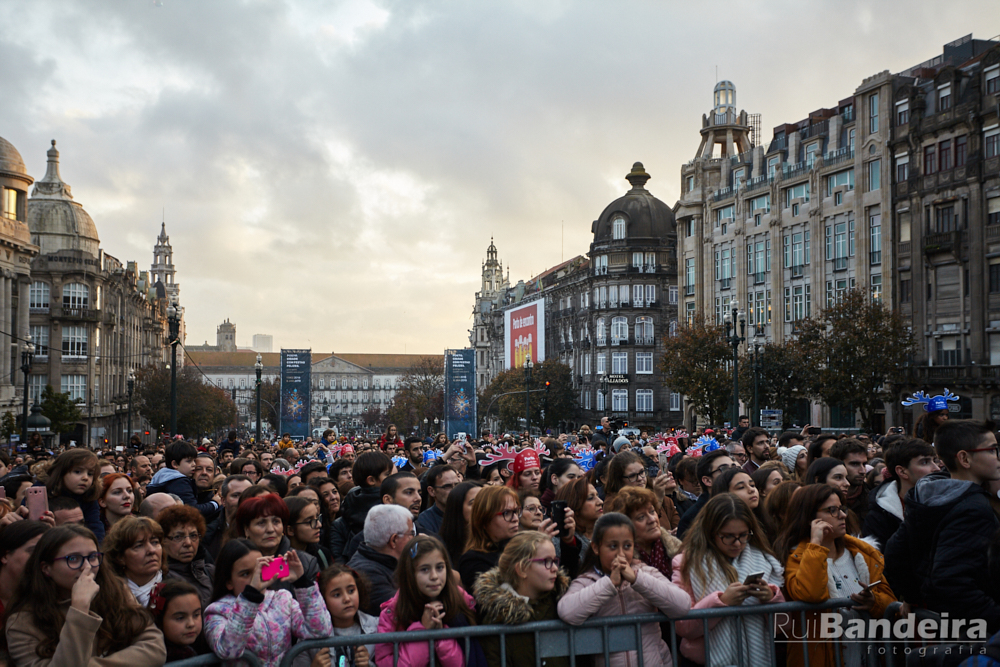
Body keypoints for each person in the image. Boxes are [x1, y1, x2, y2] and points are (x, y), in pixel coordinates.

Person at [886, 420, 1000, 634]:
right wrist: (994, 619)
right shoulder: (973, 508)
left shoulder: (928, 494)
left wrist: (914, 598)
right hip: (972, 633)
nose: (998, 457)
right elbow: (952, 580)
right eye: (992, 450)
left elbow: (895, 553)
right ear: (965, 458)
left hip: (942, 624)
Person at [5, 524, 166, 666]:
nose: (87, 567)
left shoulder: (116, 591)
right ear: (46, 568)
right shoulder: (22, 622)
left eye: (93, 557)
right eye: (73, 559)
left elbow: (154, 648)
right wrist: (79, 610)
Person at [776, 485, 896, 667]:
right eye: (832, 510)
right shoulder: (795, 558)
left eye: (841, 509)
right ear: (809, 517)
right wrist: (815, 544)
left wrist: (875, 602)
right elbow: (811, 594)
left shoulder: (862, 554)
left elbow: (891, 604)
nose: (843, 516)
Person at [557, 513, 690, 667]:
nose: (620, 553)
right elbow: (567, 612)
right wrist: (609, 584)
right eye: (612, 546)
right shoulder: (588, 580)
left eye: (627, 546)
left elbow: (682, 605)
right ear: (596, 547)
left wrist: (636, 579)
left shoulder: (646, 573)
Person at [672, 495, 785, 666]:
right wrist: (721, 602)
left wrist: (771, 598)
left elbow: (784, 626)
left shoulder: (764, 561)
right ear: (710, 532)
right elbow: (683, 627)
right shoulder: (685, 564)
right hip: (704, 661)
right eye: (728, 536)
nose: (738, 543)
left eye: (743, 535)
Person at [204, 538, 333, 667]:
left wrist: (302, 583)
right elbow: (228, 651)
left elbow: (320, 630)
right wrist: (251, 596)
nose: (255, 578)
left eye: (259, 570)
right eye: (245, 574)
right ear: (229, 582)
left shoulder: (282, 599)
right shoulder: (216, 611)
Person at [374, 534, 482, 667]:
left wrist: (442, 636)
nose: (434, 576)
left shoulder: (461, 601)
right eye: (424, 569)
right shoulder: (392, 614)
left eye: (440, 567)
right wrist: (422, 631)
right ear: (409, 574)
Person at [475, 531, 570, 667]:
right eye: (546, 562)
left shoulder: (562, 604)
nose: (555, 568)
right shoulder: (497, 619)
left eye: (555, 561)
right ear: (522, 569)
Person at [862, 439, 937, 550]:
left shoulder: (947, 501)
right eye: (925, 462)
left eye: (935, 461)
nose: (936, 468)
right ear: (902, 471)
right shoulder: (879, 516)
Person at [236, 492, 321, 590]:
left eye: (276, 521)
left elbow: (314, 604)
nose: (270, 529)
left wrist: (301, 582)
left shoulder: (305, 563)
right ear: (246, 530)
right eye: (261, 523)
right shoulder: (236, 563)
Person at [307, 563, 379, 667]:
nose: (347, 599)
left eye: (351, 591)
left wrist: (368, 665)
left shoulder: (377, 627)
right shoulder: (310, 634)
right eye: (337, 595)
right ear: (322, 600)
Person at [347, 504, 413, 616]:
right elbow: (407, 610)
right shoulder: (368, 574)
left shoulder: (387, 562)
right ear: (394, 540)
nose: (415, 539)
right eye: (411, 534)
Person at [605, 487, 680, 581]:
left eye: (652, 511)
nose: (652, 520)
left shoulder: (678, 549)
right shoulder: (621, 563)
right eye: (641, 517)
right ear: (626, 526)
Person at [331, 451, 395, 562]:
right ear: (371, 480)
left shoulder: (347, 511)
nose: (393, 480)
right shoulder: (341, 523)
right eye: (387, 475)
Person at [458, 485, 521, 593]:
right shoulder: (472, 562)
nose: (515, 519)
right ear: (484, 520)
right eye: (507, 513)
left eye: (515, 511)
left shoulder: (521, 549)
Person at [158, 504, 215, 608]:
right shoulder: (159, 579)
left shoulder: (211, 572)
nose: (188, 543)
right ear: (163, 540)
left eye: (193, 535)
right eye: (178, 537)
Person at [146, 441, 221, 519]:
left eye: (209, 469)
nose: (194, 465)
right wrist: (214, 503)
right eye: (189, 461)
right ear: (174, 464)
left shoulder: (162, 476)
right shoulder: (180, 482)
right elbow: (192, 510)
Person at [42, 449, 105, 542]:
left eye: (90, 474)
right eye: (77, 472)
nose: (85, 478)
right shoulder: (42, 492)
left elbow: (95, 527)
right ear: (61, 472)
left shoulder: (89, 497)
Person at [103, 516, 165, 606]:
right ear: (120, 557)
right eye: (139, 546)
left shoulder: (177, 589)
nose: (151, 550)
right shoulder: (108, 595)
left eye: (155, 542)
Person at [676, 450, 737, 540]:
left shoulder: (744, 502)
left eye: (734, 468)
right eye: (724, 469)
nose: (733, 473)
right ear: (707, 480)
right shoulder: (694, 517)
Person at [0, 521, 50, 626]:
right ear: (5, 556)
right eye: (33, 551)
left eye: (46, 553)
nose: (41, 559)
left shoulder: (49, 599)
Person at [147, 579, 210, 662]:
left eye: (196, 615)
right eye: (180, 618)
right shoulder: (156, 657)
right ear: (159, 620)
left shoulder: (207, 643)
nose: (191, 624)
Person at [205, 474, 252, 560]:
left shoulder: (264, 531)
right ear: (223, 501)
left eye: (247, 496)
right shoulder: (208, 534)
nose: (242, 500)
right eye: (236, 496)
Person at [438, 482, 483, 567]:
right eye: (473, 503)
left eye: (484, 502)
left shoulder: (497, 542)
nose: (481, 507)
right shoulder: (441, 548)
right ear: (457, 509)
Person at [555, 476, 603, 553]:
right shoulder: (561, 542)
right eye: (591, 498)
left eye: (597, 496)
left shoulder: (608, 533)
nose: (600, 502)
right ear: (575, 505)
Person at [829, 438, 871, 521]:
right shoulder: (821, 499)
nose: (862, 471)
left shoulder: (874, 499)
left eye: (864, 464)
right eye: (855, 464)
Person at [285, 495, 331, 569]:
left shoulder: (322, 555)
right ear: (290, 530)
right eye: (310, 521)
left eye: (317, 518)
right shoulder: (277, 559)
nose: (319, 525)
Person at [415, 465, 460, 537]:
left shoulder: (468, 514)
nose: (454, 490)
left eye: (457, 485)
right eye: (447, 486)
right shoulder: (424, 522)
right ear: (432, 491)